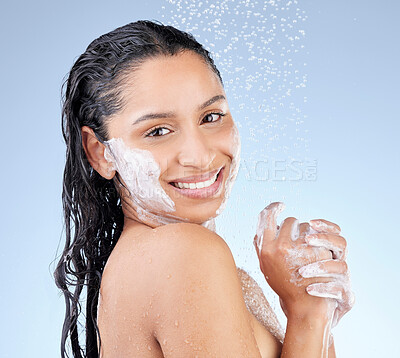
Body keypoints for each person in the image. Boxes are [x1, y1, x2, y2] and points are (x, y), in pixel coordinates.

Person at [54, 20, 354, 357]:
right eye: (158, 131)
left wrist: (318, 314)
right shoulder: (185, 255)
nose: (200, 156)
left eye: (211, 117)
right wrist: (306, 318)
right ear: (100, 152)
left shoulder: (146, 262)